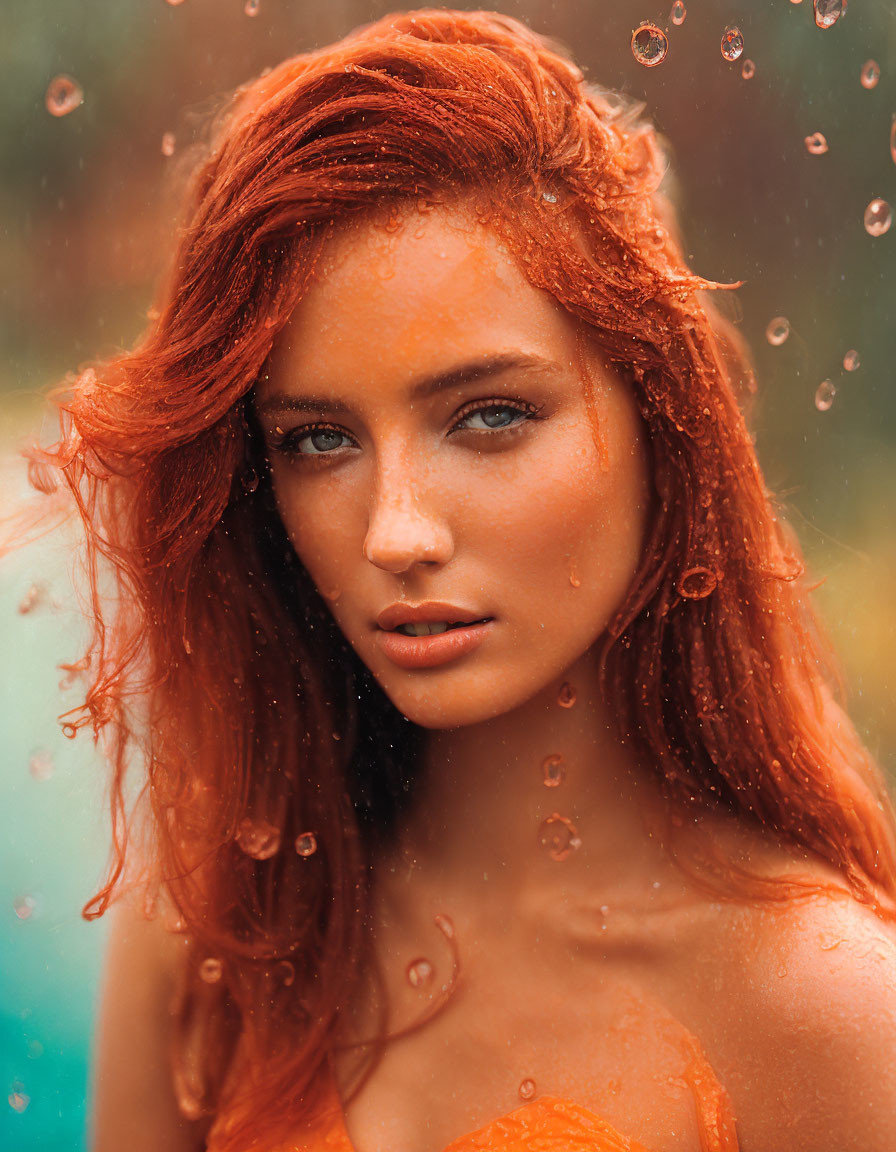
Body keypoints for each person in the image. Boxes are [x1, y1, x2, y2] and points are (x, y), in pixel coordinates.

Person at [35, 9, 896, 1152]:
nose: (394, 532)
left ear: (656, 417)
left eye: (490, 415)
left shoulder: (817, 1004)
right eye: (316, 441)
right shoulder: (221, 925)